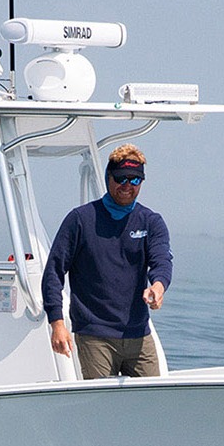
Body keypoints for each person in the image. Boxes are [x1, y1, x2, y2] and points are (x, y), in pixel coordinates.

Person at [44, 143, 172, 378]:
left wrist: (158, 286)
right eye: (121, 178)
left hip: (138, 333)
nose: (127, 186)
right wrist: (57, 324)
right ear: (108, 177)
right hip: (94, 335)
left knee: (154, 401)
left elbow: (161, 260)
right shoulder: (80, 220)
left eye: (135, 180)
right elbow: (53, 272)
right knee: (100, 404)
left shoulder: (151, 222)